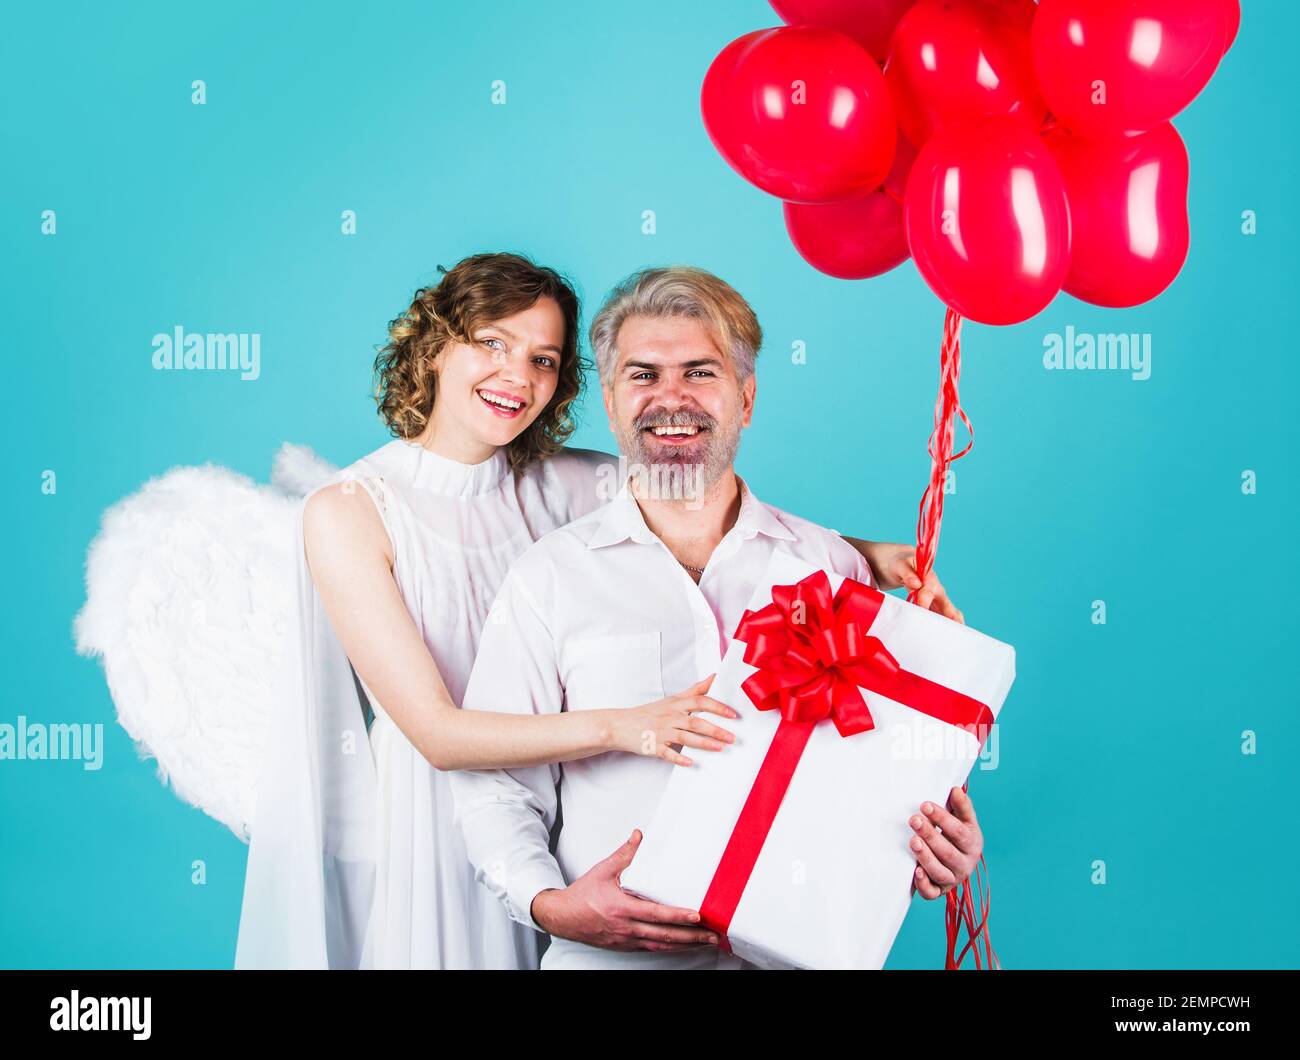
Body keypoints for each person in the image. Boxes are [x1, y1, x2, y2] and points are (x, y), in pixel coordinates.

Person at [236, 252, 960, 970]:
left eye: (543, 359)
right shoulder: (351, 511)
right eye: (492, 342)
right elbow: (438, 735)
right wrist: (628, 729)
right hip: (442, 808)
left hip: (577, 833)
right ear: (433, 347)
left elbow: (706, 487)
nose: (517, 376)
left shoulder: (566, 481)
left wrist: (868, 558)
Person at [449, 266, 984, 969]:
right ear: (611, 404)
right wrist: (549, 903)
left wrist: (935, 840)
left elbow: (872, 767)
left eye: (700, 372)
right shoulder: (550, 577)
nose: (671, 398)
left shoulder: (832, 568)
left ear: (747, 397)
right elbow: (496, 783)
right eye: (643, 375)